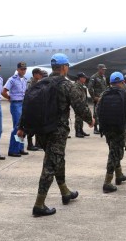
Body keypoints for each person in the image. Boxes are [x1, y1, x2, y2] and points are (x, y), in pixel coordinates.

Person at [16, 53, 94, 217]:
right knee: (50, 165)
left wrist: (22, 126)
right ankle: (39, 204)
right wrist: (90, 119)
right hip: (57, 132)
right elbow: (80, 105)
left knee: (58, 160)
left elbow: (28, 105)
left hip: (41, 131)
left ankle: (65, 192)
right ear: (64, 67)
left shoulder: (40, 83)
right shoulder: (66, 85)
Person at [99, 72, 126, 193]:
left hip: (107, 128)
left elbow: (98, 108)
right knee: (114, 154)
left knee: (113, 150)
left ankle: (119, 175)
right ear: (122, 82)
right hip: (120, 128)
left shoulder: (104, 93)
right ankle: (107, 182)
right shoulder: (125, 92)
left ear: (110, 83)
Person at [2, 62, 29, 157]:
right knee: (17, 127)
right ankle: (13, 150)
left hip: (23, 104)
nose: (23, 71)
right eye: (21, 69)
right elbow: (4, 91)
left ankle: (20, 148)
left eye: (24, 69)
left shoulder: (25, 80)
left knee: (23, 126)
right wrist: (10, 98)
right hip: (16, 104)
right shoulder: (12, 79)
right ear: (17, 69)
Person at [88, 64, 107, 134]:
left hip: (104, 98)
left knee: (103, 113)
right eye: (103, 69)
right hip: (97, 98)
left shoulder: (104, 77)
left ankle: (102, 127)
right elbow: (90, 88)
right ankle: (95, 128)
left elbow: (105, 87)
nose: (104, 71)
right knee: (96, 113)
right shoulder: (94, 77)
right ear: (99, 69)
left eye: (104, 69)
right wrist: (94, 97)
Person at [74, 72, 90, 138]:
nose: (85, 79)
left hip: (83, 104)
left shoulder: (82, 85)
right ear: (80, 78)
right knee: (78, 118)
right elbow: (76, 96)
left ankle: (81, 130)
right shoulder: (76, 86)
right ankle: (77, 132)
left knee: (81, 117)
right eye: (83, 77)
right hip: (78, 104)